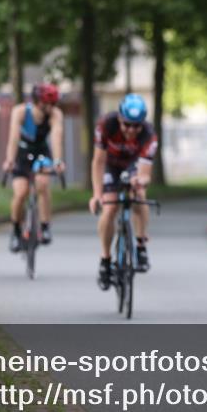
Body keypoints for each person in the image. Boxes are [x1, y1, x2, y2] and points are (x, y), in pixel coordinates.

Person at [89, 94, 158, 289]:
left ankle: (141, 244)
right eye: (127, 125)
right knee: (109, 207)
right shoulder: (106, 125)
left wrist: (140, 181)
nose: (131, 130)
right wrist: (96, 194)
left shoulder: (148, 133)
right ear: (119, 118)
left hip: (133, 166)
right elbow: (98, 162)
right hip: (110, 165)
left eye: (136, 126)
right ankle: (105, 259)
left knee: (139, 196)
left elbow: (145, 174)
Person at [3, 83, 65, 252]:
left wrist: (58, 160)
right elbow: (13, 138)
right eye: (48, 103)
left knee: (42, 184)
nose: (52, 107)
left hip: (41, 153)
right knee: (21, 192)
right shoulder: (21, 112)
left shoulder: (54, 114)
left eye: (54, 103)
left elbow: (56, 137)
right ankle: (16, 231)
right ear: (38, 102)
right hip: (22, 153)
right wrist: (9, 160)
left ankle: (45, 226)